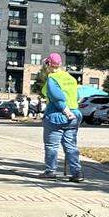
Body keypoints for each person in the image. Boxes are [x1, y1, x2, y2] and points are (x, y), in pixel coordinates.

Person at [41, 52, 82, 181]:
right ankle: (77, 172)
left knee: (52, 145)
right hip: (74, 115)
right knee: (70, 145)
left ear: (49, 64)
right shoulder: (70, 78)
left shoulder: (52, 78)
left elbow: (56, 97)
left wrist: (65, 110)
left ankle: (50, 171)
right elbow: (77, 97)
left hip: (57, 115)